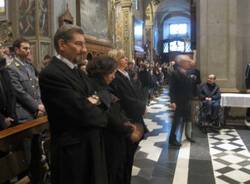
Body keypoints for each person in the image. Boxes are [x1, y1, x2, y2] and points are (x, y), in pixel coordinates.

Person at [39, 24, 109, 184]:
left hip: (91, 146)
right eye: (79, 44)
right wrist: (95, 101)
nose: (84, 49)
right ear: (62, 45)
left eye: (84, 44)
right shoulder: (51, 74)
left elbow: (104, 95)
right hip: (73, 154)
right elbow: (84, 113)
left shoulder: (77, 71)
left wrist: (95, 100)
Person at [87, 56, 142, 184]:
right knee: (113, 173)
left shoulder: (103, 86)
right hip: (109, 139)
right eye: (111, 72)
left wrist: (127, 122)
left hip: (116, 136)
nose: (113, 76)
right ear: (102, 72)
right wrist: (129, 128)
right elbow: (109, 114)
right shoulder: (96, 88)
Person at [109, 49, 147, 184]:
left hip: (134, 116)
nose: (127, 60)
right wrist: (141, 106)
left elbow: (135, 92)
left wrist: (142, 103)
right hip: (128, 119)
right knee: (124, 158)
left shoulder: (126, 74)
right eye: (123, 57)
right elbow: (125, 98)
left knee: (129, 156)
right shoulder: (116, 77)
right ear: (116, 60)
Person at [7, 38, 45, 122]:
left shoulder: (29, 66)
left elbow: (36, 87)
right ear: (17, 50)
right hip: (24, 112)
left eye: (29, 48)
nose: (28, 51)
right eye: (25, 48)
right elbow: (19, 92)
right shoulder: (11, 68)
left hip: (38, 110)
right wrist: (36, 106)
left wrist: (40, 104)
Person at [169, 55, 195, 147]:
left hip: (187, 100)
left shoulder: (188, 72)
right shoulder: (175, 73)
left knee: (188, 119)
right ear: (181, 63)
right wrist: (173, 101)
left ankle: (188, 135)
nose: (189, 63)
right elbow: (172, 89)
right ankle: (172, 139)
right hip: (178, 101)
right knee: (176, 121)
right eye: (186, 61)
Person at [0, 57, 16, 130]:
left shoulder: (3, 70)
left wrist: (11, 115)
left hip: (10, 118)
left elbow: (12, 94)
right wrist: (2, 120)